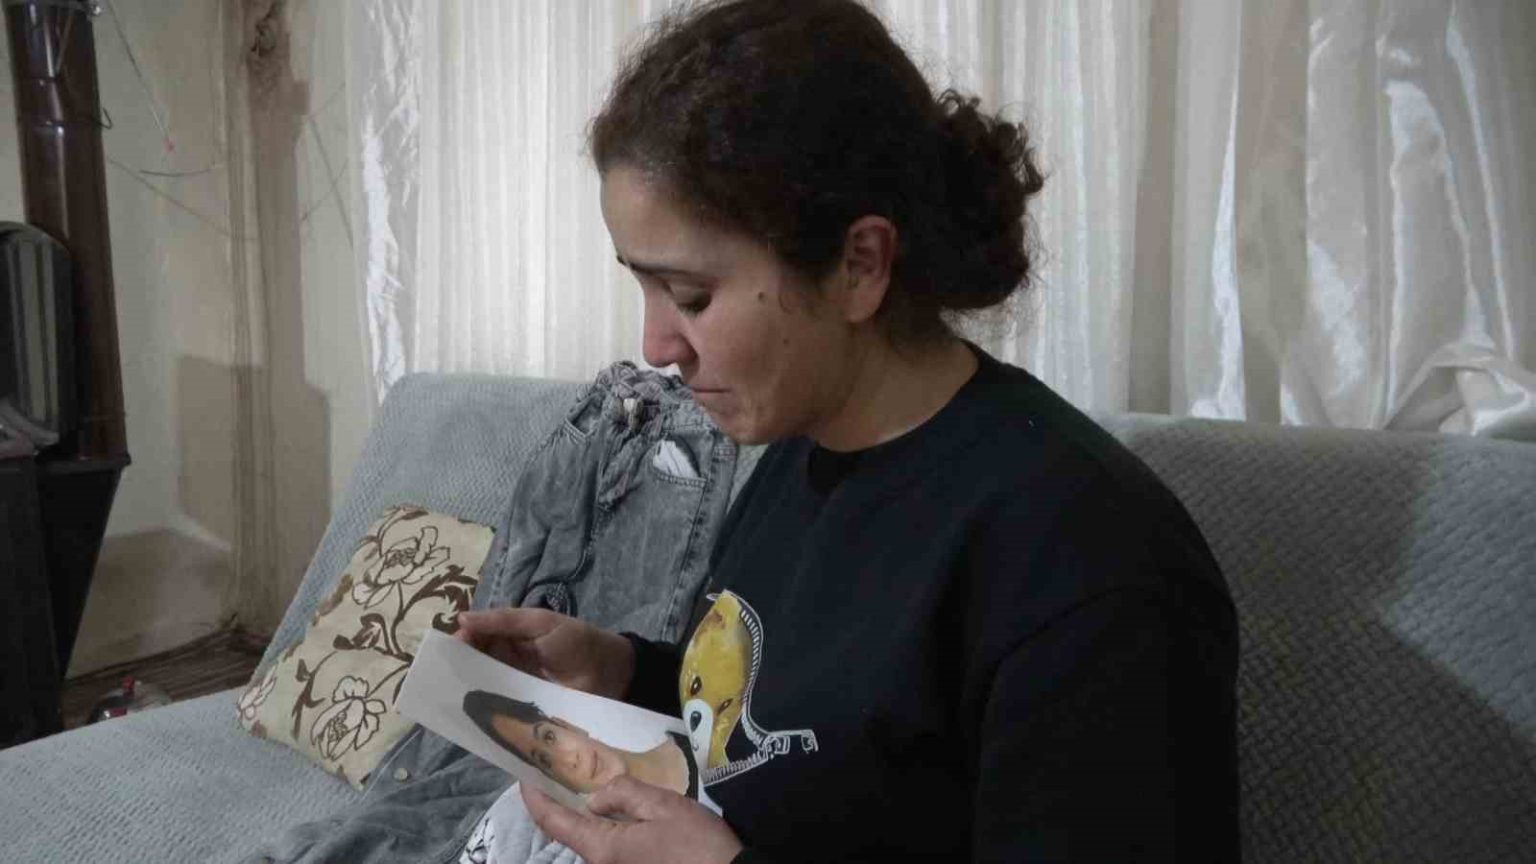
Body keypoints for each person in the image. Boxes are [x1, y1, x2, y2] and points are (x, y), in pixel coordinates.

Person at [456, 0, 1239, 861]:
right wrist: (625, 673)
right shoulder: (802, 441)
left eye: (691, 296)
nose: (656, 346)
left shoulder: (1086, 566)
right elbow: (809, 735)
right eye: (643, 287)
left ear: (859, 265)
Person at [462, 690, 698, 800]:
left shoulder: (687, 722)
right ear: (557, 783)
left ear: (568, 726)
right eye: (545, 761)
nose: (569, 760)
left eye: (549, 737)